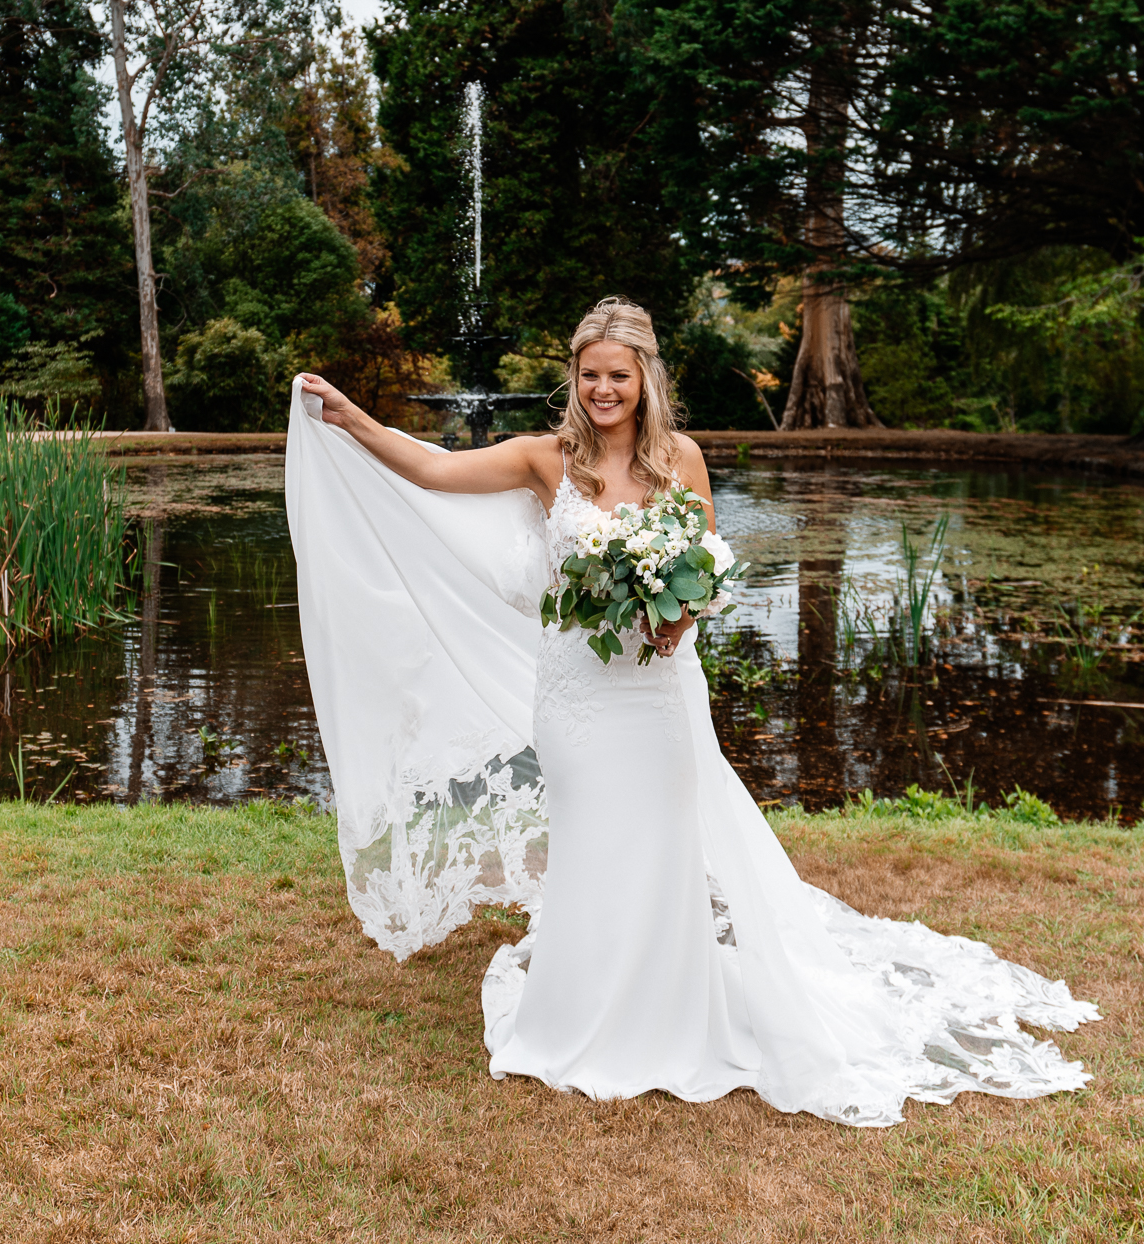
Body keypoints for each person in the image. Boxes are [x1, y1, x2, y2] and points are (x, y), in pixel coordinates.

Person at [287, 296, 1098, 1127]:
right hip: (574, 696)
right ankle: (575, 1015)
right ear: (574, 378)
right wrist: (350, 417)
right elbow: (430, 470)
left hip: (659, 694)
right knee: (592, 842)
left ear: (644, 379)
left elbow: (701, 571)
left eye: (619, 376)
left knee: (663, 847)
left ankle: (670, 1013)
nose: (604, 390)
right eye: (591, 375)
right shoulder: (545, 460)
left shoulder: (682, 459)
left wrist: (679, 614)